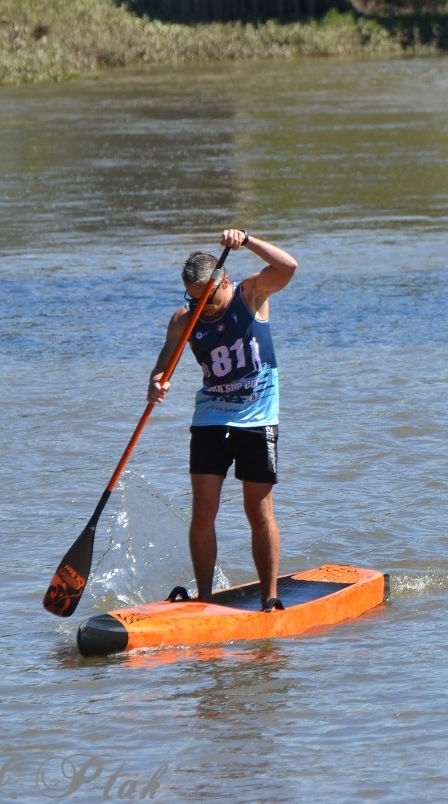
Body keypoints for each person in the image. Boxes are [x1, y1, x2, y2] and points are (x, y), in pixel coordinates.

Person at [148, 229, 298, 611]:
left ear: (224, 281)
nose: (203, 308)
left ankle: (270, 599)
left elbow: (288, 267)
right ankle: (205, 601)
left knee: (259, 512)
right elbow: (163, 367)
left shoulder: (251, 295)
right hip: (211, 418)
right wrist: (156, 383)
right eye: (193, 299)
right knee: (203, 511)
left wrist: (246, 240)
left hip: (257, 418)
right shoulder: (184, 320)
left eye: (208, 298)